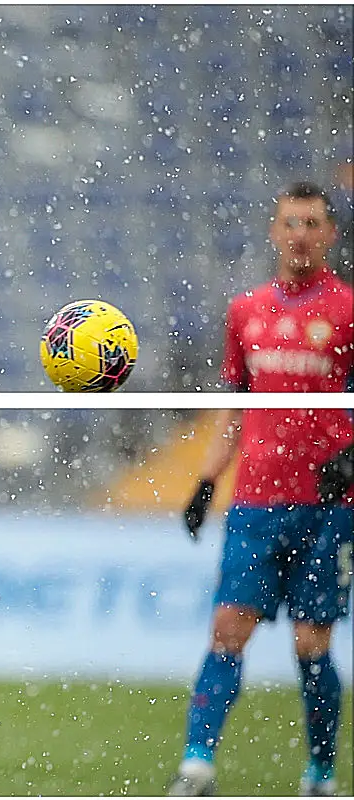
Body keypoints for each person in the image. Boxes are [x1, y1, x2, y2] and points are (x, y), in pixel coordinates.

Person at [168, 181, 354, 797]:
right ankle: (197, 764)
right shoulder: (245, 311)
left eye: (311, 223)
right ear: (274, 233)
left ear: (329, 233)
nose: (300, 234)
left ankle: (321, 772)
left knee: (310, 644)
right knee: (228, 629)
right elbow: (237, 409)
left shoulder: (348, 310)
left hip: (329, 509)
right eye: (289, 223)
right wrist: (204, 482)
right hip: (255, 502)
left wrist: (349, 457)